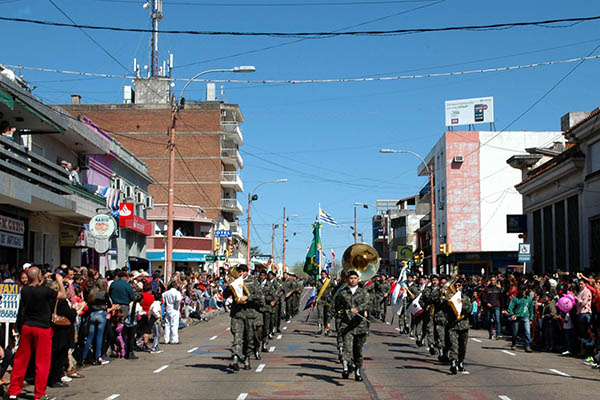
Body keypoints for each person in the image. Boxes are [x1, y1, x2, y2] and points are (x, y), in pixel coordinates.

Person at [8, 267, 66, 400]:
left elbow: (33, 289)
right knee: (42, 362)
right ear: (39, 277)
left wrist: (41, 279)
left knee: (21, 360)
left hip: (28, 326)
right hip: (42, 328)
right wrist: (59, 281)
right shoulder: (45, 291)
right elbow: (62, 295)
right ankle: (39, 393)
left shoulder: (25, 290)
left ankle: (13, 391)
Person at [224, 264, 264, 372]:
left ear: (246, 272)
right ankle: (235, 359)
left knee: (249, 339)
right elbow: (224, 295)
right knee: (237, 337)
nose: (240, 273)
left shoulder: (253, 282)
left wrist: (248, 297)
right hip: (237, 314)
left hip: (250, 315)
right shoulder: (234, 282)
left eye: (242, 271)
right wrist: (229, 286)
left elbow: (261, 297)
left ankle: (246, 358)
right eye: (238, 271)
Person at [336, 270, 369, 381]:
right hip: (346, 325)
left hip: (360, 326)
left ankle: (358, 371)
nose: (353, 280)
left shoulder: (363, 292)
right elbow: (337, 307)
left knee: (357, 351)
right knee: (346, 348)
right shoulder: (342, 293)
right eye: (351, 278)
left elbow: (367, 303)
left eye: (355, 278)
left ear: (358, 279)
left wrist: (358, 309)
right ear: (347, 279)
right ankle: (345, 368)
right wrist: (341, 313)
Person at [447, 279, 472, 374]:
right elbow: (445, 310)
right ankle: (453, 362)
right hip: (453, 326)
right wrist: (450, 302)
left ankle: (460, 363)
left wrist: (461, 303)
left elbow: (469, 309)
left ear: (462, 286)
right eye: (456, 285)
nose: (457, 287)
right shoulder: (449, 298)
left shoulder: (466, 298)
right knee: (454, 345)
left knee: (463, 346)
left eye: (459, 285)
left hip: (464, 325)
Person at [507, 285, 534, 353]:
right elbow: (510, 308)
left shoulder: (528, 299)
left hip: (526, 317)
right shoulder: (515, 299)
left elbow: (531, 309)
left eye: (524, 291)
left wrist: (531, 318)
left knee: (527, 332)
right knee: (515, 332)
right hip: (517, 317)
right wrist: (512, 314)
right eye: (522, 290)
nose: (523, 292)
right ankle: (513, 343)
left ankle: (527, 346)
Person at [481, 275, 503, 340]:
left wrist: (503, 308)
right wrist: (487, 303)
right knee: (489, 320)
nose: (493, 281)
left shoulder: (499, 289)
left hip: (497, 306)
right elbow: (484, 298)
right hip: (489, 307)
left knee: (497, 320)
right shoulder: (487, 289)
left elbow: (501, 299)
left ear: (496, 281)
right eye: (491, 280)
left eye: (494, 280)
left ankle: (498, 334)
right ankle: (491, 334)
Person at [315, 271, 333, 335]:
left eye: (324, 274)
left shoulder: (330, 281)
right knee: (320, 314)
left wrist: (331, 296)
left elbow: (334, 289)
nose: (323, 275)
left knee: (327, 315)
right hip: (320, 300)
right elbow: (315, 290)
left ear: (326, 275)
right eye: (322, 274)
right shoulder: (318, 282)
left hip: (328, 301)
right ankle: (319, 328)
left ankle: (327, 329)